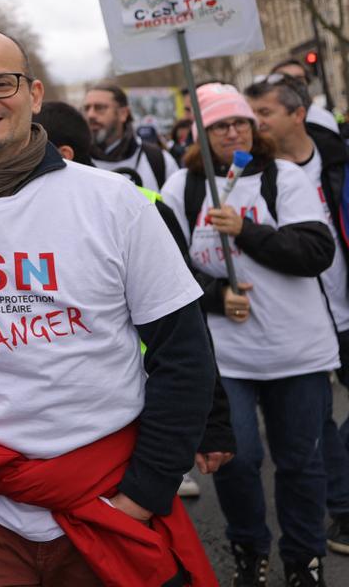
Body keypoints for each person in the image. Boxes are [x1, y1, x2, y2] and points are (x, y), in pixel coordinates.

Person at [0, 27, 217, 587]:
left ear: (33, 93)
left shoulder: (114, 202)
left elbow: (185, 357)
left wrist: (143, 494)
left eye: (0, 82)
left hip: (107, 499)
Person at [161, 82, 338, 586]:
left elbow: (314, 253)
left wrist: (246, 230)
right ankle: (248, 551)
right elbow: (164, 270)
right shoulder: (183, 188)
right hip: (227, 355)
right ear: (201, 133)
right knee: (236, 459)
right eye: (219, 124)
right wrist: (217, 295)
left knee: (301, 462)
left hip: (296, 349)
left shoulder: (282, 177)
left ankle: (304, 560)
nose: (233, 130)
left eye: (240, 121)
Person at [37, 101, 237, 501]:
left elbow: (186, 324)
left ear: (63, 155)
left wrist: (211, 421)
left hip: (146, 405)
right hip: (70, 425)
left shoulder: (138, 207)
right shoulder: (18, 217)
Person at [247, 75, 349, 558]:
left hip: (345, 308)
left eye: (264, 113)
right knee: (317, 423)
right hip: (299, 321)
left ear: (297, 114)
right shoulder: (248, 173)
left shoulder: (337, 161)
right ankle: (341, 510)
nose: (255, 123)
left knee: (327, 423)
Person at [82, 83, 178, 190]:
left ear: (123, 113)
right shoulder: (75, 161)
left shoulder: (158, 160)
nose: (90, 115)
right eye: (86, 108)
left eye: (100, 108)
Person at [270, 58, 340, 133]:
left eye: (298, 79)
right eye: (285, 80)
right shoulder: (267, 123)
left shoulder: (324, 118)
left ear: (307, 82)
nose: (293, 83)